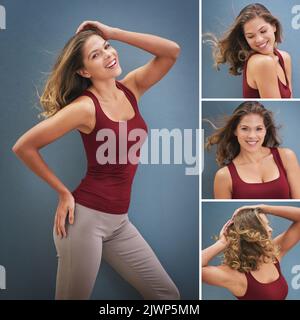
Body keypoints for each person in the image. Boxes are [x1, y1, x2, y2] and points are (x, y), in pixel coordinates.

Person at [12, 20, 181, 300]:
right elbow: (24, 146)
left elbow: (171, 51)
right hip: (84, 222)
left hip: (119, 223)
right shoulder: (84, 107)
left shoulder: (131, 88)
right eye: (96, 55)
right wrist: (63, 192)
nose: (108, 54)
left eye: (107, 47)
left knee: (167, 295)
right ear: (83, 70)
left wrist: (111, 32)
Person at [202, 204, 300, 300]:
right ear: (250, 233)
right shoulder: (234, 275)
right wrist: (222, 243)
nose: (270, 229)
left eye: (268, 224)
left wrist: (264, 207)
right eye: (263, 225)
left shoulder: (271, 254)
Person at [206, 101, 300, 199]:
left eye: (258, 129)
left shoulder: (287, 157)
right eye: (244, 129)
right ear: (235, 130)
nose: (251, 136)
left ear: (265, 130)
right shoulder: (224, 176)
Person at [206, 3, 292, 98]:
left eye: (263, 31)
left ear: (274, 26)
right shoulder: (262, 63)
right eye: (250, 36)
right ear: (245, 38)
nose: (259, 39)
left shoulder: (285, 58)